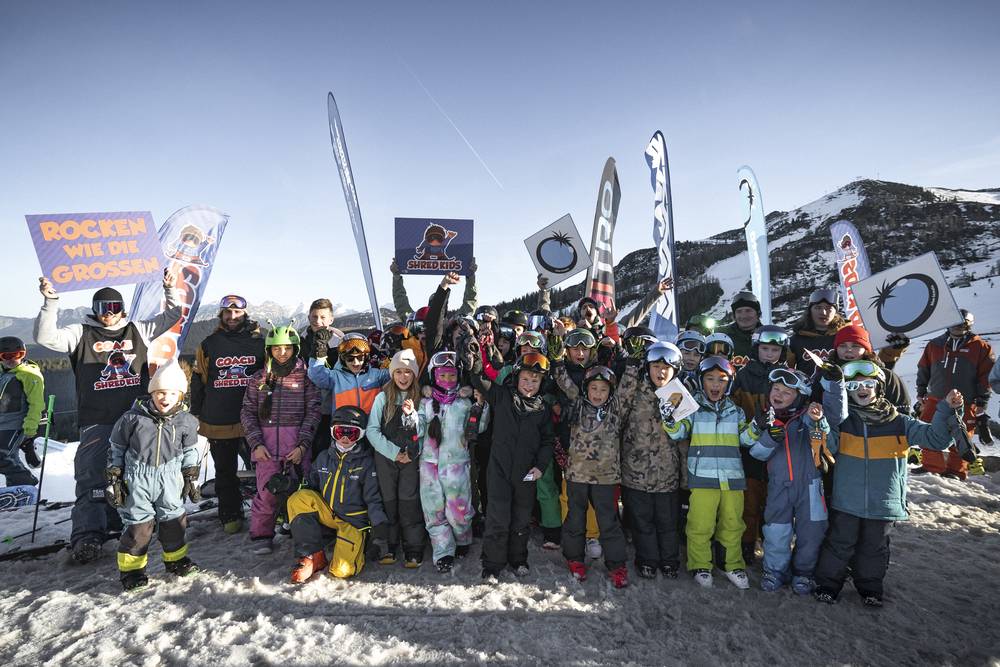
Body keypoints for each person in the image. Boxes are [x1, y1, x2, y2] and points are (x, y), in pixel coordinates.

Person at [34, 269, 181, 563]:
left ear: (122, 309)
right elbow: (45, 337)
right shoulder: (81, 333)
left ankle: (123, 523)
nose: (108, 313)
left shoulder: (137, 329)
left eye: (114, 307)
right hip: (97, 419)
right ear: (94, 309)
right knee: (92, 478)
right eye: (102, 307)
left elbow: (172, 316)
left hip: (136, 419)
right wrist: (50, 301)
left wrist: (169, 288)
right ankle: (87, 536)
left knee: (135, 476)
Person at [813, 362, 965, 607]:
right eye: (854, 386)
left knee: (874, 548)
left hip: (883, 502)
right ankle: (827, 586)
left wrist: (946, 409)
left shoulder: (900, 422)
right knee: (839, 544)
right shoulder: (844, 421)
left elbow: (936, 439)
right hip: (847, 500)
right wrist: (819, 422)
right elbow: (828, 447)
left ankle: (870, 589)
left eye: (868, 384)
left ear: (879, 387)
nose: (862, 389)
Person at [662, 356, 758, 589]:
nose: (715, 384)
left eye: (721, 380)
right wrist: (669, 419)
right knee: (700, 524)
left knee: (732, 523)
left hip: (732, 478)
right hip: (703, 477)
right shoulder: (693, 409)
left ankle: (731, 564)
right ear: (701, 381)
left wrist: (758, 426)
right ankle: (700, 565)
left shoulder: (735, 411)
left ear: (729, 383)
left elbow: (745, 439)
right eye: (710, 379)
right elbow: (678, 433)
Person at [749, 367, 846, 594]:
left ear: (800, 396)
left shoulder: (809, 417)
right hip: (779, 487)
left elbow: (829, 447)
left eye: (787, 392)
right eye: (776, 389)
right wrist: (769, 438)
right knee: (776, 531)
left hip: (810, 486)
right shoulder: (767, 418)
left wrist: (817, 423)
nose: (779, 395)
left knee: (811, 532)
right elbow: (756, 453)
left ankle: (803, 573)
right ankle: (774, 572)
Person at [106, 360, 201, 591]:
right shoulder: (132, 418)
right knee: (138, 527)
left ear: (180, 395)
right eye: (160, 392)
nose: (165, 398)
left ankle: (176, 561)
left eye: (171, 393)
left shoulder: (186, 421)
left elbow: (190, 451)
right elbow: (116, 448)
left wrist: (190, 476)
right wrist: (114, 478)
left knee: (174, 522)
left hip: (170, 480)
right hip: (137, 479)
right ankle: (132, 572)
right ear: (152, 393)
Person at [464, 344, 554, 581]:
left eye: (535, 381)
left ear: (542, 383)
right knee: (498, 518)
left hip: (526, 474)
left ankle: (518, 559)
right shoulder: (503, 396)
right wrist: (474, 361)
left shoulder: (542, 410)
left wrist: (540, 467)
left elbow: (547, 441)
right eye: (525, 379)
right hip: (499, 472)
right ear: (517, 377)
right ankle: (492, 563)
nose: (529, 384)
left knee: (521, 520)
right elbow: (479, 380)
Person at [241, 323, 322, 554]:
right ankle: (262, 535)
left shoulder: (305, 377)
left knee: (300, 493)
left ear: (295, 349)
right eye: (276, 349)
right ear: (269, 350)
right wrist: (256, 444)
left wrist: (303, 445)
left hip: (296, 447)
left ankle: (301, 534)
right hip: (266, 448)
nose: (282, 353)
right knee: (267, 493)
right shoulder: (259, 378)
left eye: (287, 348)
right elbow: (247, 412)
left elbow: (313, 411)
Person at [189, 295, 265, 534]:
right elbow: (198, 379)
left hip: (255, 419)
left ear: (245, 314)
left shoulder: (259, 342)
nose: (232, 317)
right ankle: (230, 514)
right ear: (221, 314)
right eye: (227, 313)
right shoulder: (209, 344)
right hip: (219, 419)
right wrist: (196, 412)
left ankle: (268, 513)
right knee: (225, 472)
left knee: (265, 469)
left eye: (237, 312)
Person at [287, 406, 388, 582]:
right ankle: (312, 556)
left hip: (353, 521)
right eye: (340, 432)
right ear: (333, 432)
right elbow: (310, 485)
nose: (345, 438)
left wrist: (379, 527)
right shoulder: (324, 457)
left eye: (352, 433)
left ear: (361, 434)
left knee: (341, 571)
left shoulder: (366, 463)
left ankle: (355, 547)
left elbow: (373, 498)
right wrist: (288, 488)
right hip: (329, 513)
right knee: (298, 499)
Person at [553, 365, 629, 588]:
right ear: (586, 389)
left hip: (606, 478)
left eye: (603, 389)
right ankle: (575, 559)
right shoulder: (578, 404)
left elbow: (627, 388)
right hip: (577, 475)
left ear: (610, 392)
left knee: (609, 522)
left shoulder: (615, 409)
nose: (597, 393)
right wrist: (557, 361)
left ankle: (617, 566)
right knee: (575, 519)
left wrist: (633, 363)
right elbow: (564, 382)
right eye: (593, 388)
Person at [615, 342, 686, 580]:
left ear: (675, 370)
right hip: (635, 472)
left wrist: (686, 477)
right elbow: (617, 410)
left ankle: (669, 561)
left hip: (667, 474)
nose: (661, 372)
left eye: (666, 368)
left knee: (667, 522)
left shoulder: (679, 395)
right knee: (641, 521)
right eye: (656, 366)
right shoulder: (635, 391)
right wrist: (631, 368)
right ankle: (647, 560)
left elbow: (685, 440)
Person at [417, 351, 485, 573]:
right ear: (434, 376)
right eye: (442, 375)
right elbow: (418, 428)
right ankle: (443, 551)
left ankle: (462, 538)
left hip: (456, 463)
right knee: (434, 509)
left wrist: (481, 406)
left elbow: (479, 427)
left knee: (458, 509)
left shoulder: (463, 403)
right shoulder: (426, 403)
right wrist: (410, 416)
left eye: (452, 375)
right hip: (429, 464)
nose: (447, 379)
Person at [731, 325, 791, 565]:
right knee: (750, 500)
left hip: (778, 446)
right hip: (749, 447)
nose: (769, 354)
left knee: (773, 500)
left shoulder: (787, 376)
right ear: (756, 349)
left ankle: (770, 544)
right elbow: (734, 406)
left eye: (775, 350)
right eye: (765, 349)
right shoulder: (744, 375)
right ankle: (747, 543)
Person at [914, 309, 995, 480]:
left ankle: (956, 471)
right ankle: (931, 466)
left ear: (969, 325)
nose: (958, 327)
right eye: (954, 323)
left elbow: (986, 377)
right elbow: (924, 368)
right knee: (926, 430)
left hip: (965, 400)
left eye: (963, 324)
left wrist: (982, 402)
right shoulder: (935, 344)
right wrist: (921, 391)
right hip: (935, 397)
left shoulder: (981, 347)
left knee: (962, 435)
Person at [365, 349, 425, 568]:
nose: (403, 376)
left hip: (410, 458)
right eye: (398, 372)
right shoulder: (382, 397)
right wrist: (392, 452)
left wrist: (410, 452)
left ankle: (413, 547)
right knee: (388, 501)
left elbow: (423, 429)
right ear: (392, 374)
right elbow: (372, 430)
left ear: (414, 374)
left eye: (408, 372)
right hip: (386, 458)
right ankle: (388, 545)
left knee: (409, 501)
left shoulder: (420, 398)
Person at [299, 298, 346, 461]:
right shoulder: (301, 340)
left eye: (323, 317)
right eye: (314, 317)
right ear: (308, 318)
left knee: (325, 446)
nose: (318, 321)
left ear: (331, 319)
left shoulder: (340, 341)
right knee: (307, 447)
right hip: (305, 404)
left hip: (330, 405)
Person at [828, 324, 910, 414]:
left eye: (855, 346)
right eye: (843, 345)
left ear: (866, 349)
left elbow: (903, 410)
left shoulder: (886, 376)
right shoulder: (827, 376)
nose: (849, 350)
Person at [307, 332, 389, 416]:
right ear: (342, 358)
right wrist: (318, 353)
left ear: (366, 357)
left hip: (372, 422)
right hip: (344, 422)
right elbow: (316, 374)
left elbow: (394, 373)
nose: (355, 362)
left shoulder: (376, 375)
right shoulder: (335, 377)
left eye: (360, 357)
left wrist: (395, 351)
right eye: (350, 358)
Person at [0, 336, 45, 486]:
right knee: (10, 458)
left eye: (18, 354)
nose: (13, 359)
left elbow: (36, 404)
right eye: (6, 356)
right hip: (2, 424)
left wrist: (30, 428)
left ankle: (27, 481)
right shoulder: (3, 373)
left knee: (2, 456)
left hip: (16, 424)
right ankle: (18, 489)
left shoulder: (29, 375)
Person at [391, 258, 478, 322]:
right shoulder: (416, 322)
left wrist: (470, 276)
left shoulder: (452, 326)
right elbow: (401, 303)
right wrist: (396, 276)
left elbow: (469, 305)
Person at [788, 288, 848, 377]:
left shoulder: (846, 337)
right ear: (810, 311)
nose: (823, 312)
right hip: (806, 385)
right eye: (818, 307)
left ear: (836, 312)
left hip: (842, 385)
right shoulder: (796, 340)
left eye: (828, 308)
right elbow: (787, 369)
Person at [717, 291, 763, 369]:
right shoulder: (721, 335)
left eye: (748, 310)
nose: (744, 316)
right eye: (739, 311)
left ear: (758, 313)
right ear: (734, 316)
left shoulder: (768, 335)